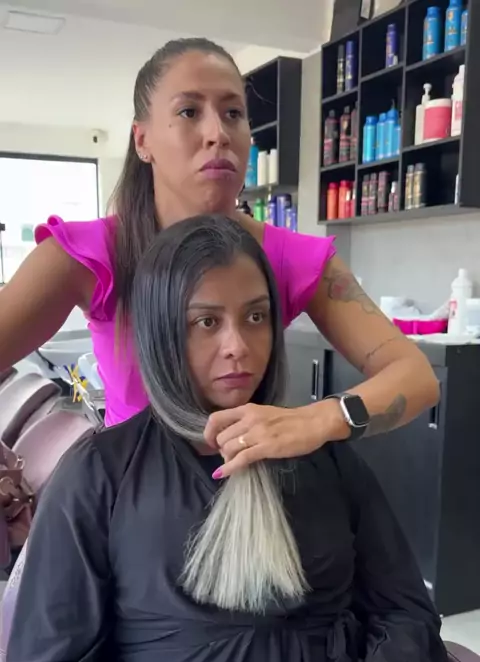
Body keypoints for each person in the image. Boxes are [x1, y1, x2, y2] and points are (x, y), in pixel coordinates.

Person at [6, 215, 479, 662]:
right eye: (206, 322)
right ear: (161, 333)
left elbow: (403, 613)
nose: (238, 346)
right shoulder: (100, 477)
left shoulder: (328, 462)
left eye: (256, 317)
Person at [0, 37, 438, 476]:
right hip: (125, 502)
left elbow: (415, 376)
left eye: (233, 114)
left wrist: (320, 419)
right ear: (142, 139)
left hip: (249, 498)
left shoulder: (292, 258)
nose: (219, 134)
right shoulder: (85, 255)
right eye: (189, 112)